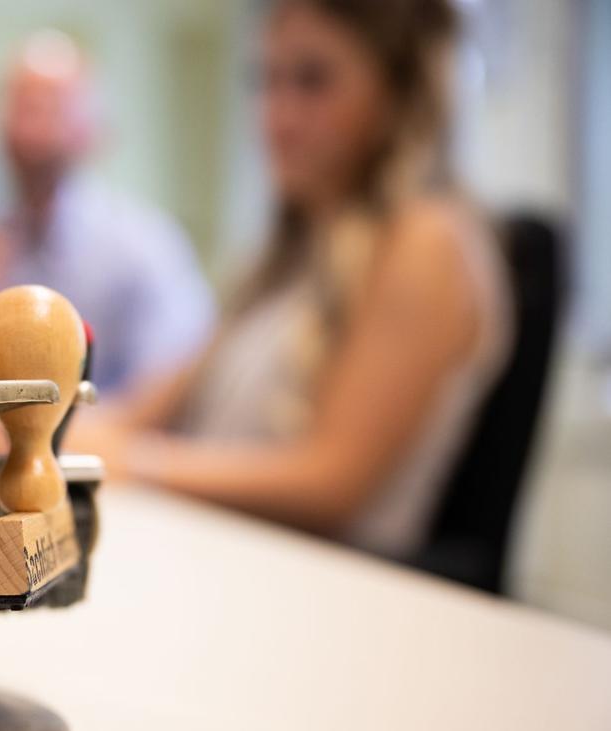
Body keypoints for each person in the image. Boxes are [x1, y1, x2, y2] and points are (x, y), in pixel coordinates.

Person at [71, 0, 512, 561]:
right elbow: (143, 412)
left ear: (397, 91)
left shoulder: (427, 241)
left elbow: (332, 482)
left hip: (329, 589)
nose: (275, 115)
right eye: (266, 80)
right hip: (235, 563)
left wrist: (135, 464)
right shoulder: (289, 259)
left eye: (312, 80)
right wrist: (35, 428)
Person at [0, 30, 214, 394]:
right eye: (21, 107)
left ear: (96, 131)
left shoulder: (147, 251)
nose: (31, 130)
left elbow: (175, 387)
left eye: (51, 108)